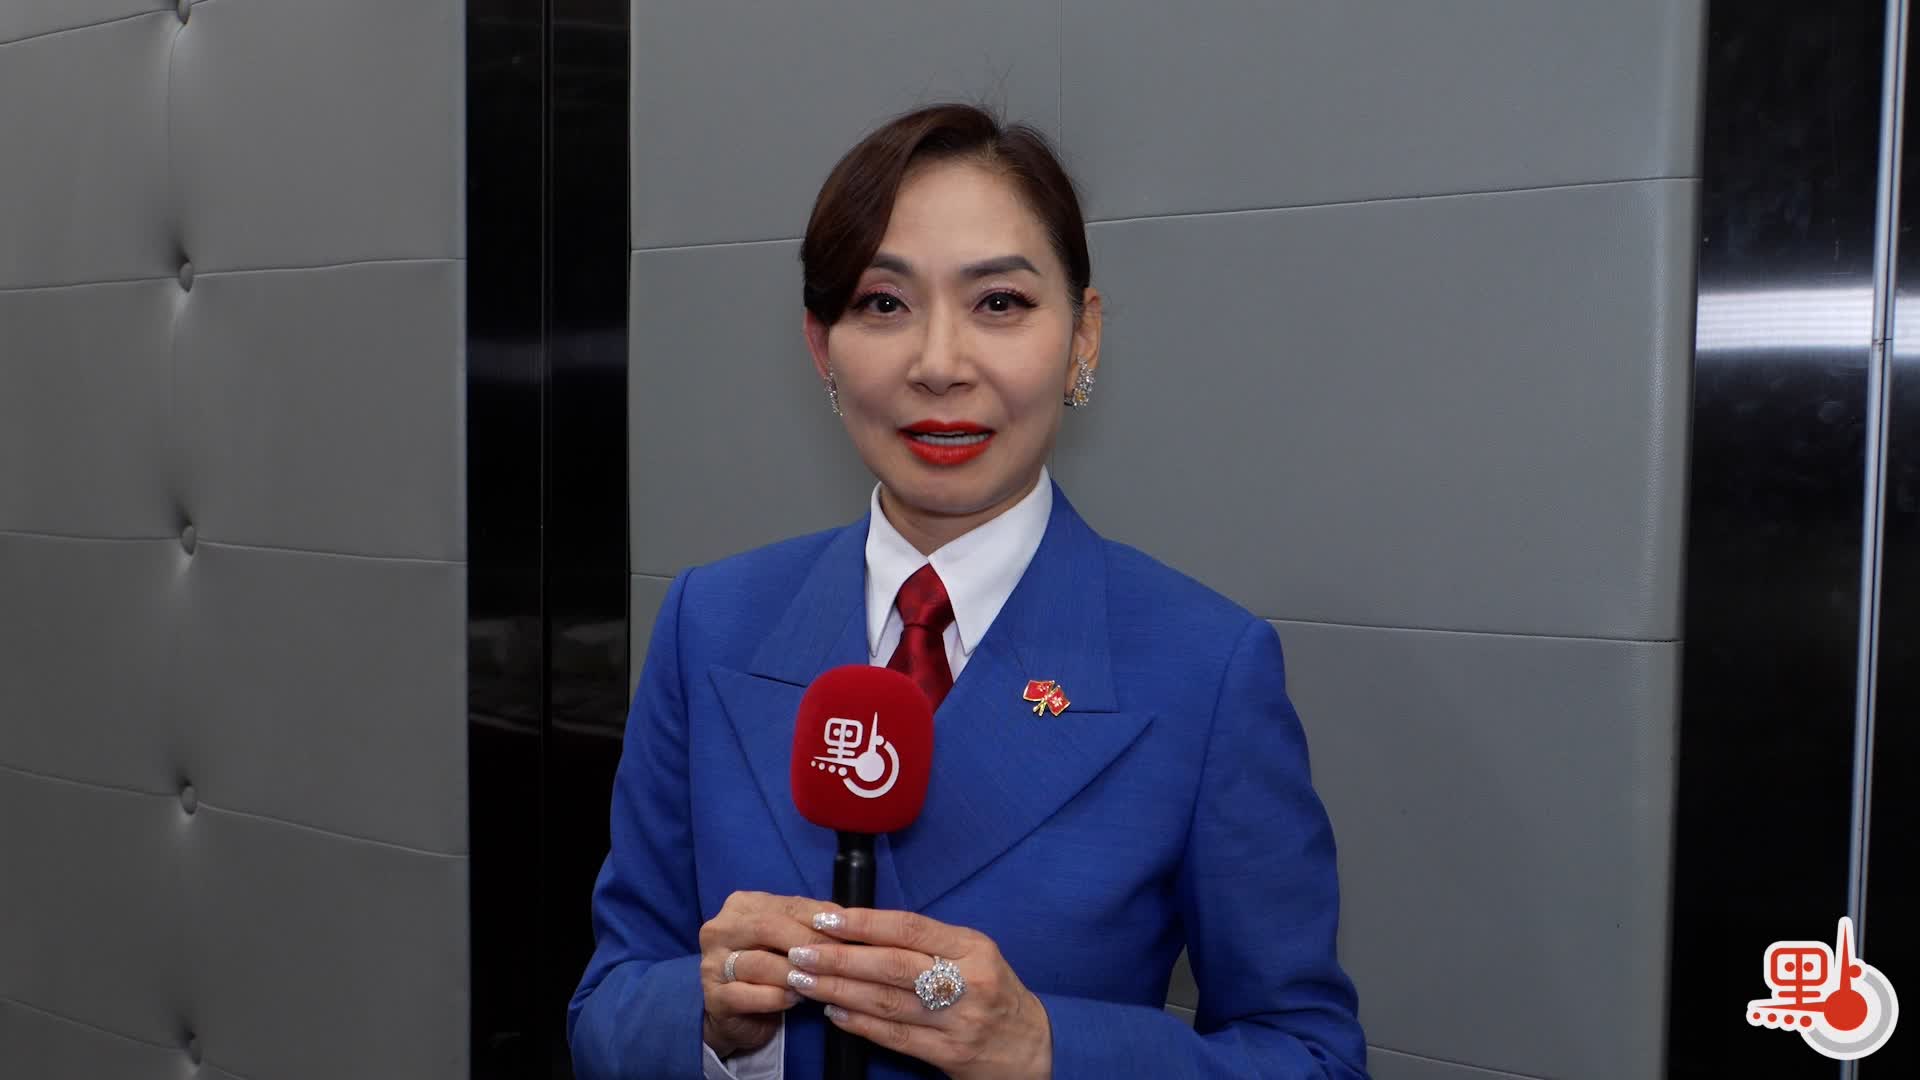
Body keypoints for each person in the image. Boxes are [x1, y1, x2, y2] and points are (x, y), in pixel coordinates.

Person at [567, 102, 1367, 1080]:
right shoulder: (713, 623)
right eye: (883, 304)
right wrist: (708, 1018)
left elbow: (1310, 1055)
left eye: (999, 303)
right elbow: (608, 1004)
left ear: (1083, 337)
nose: (939, 365)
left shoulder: (1204, 670)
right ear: (821, 347)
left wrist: (1047, 1050)